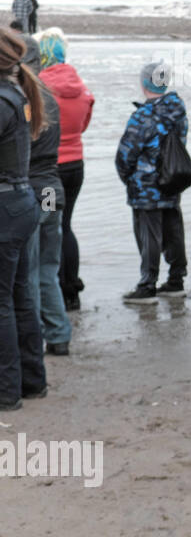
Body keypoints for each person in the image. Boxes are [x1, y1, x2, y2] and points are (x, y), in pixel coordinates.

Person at [0, 27, 47, 410]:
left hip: (7, 207)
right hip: (20, 202)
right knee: (19, 295)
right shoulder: (16, 92)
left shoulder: (4, 98)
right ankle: (31, 381)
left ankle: (7, 390)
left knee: (5, 301)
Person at [115, 62, 189, 303]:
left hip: (145, 188)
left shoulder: (142, 116)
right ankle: (176, 281)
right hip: (172, 180)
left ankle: (147, 286)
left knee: (149, 238)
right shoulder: (178, 109)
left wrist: (129, 178)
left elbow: (125, 156)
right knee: (174, 232)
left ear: (144, 83)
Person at [37, 29, 93, 311]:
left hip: (49, 172)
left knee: (49, 228)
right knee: (65, 225)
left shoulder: (39, 85)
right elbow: (83, 124)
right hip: (76, 168)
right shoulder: (81, 87)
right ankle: (71, 289)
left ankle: (54, 292)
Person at [20, 36, 70, 355]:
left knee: (30, 270)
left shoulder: (24, 97)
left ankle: (36, 338)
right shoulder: (47, 94)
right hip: (52, 188)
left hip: (35, 189)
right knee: (47, 269)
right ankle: (59, 334)